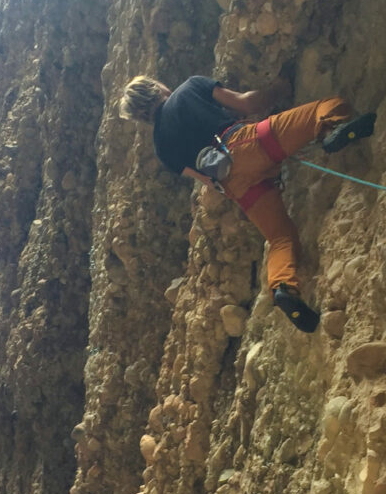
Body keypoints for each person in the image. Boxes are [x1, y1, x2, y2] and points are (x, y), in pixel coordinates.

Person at [119, 74, 376, 333]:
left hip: (234, 183)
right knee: (326, 106)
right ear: (155, 87)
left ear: (140, 117)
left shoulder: (162, 148)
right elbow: (247, 103)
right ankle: (334, 128)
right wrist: (279, 88)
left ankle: (283, 288)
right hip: (246, 143)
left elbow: (207, 180)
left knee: (280, 237)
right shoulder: (188, 87)